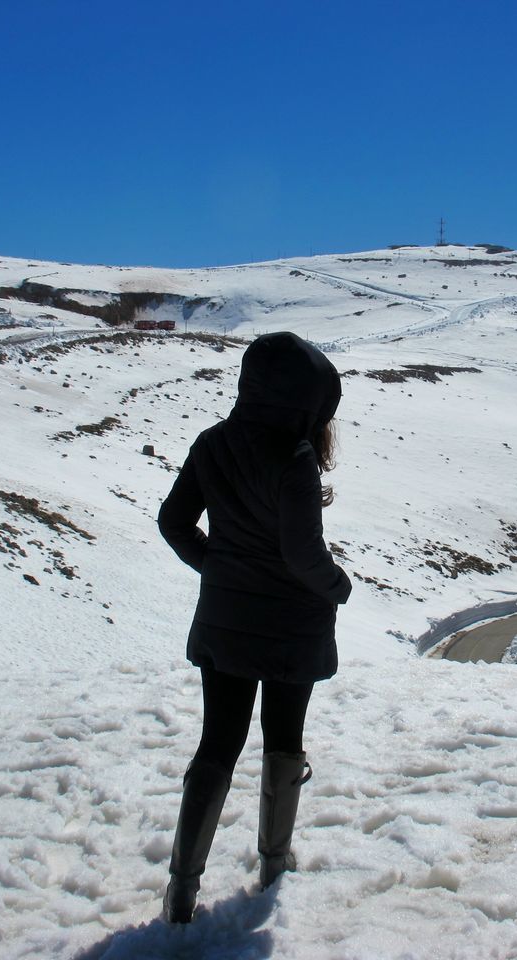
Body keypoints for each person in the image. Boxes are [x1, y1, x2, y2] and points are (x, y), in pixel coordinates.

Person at [156, 331, 352, 924]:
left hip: (226, 620)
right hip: (292, 623)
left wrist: (217, 567)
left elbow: (173, 522)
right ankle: (273, 863)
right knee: (283, 740)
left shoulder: (212, 442)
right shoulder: (293, 458)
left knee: (218, 742)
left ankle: (182, 891)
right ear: (309, 405)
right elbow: (301, 556)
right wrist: (338, 586)